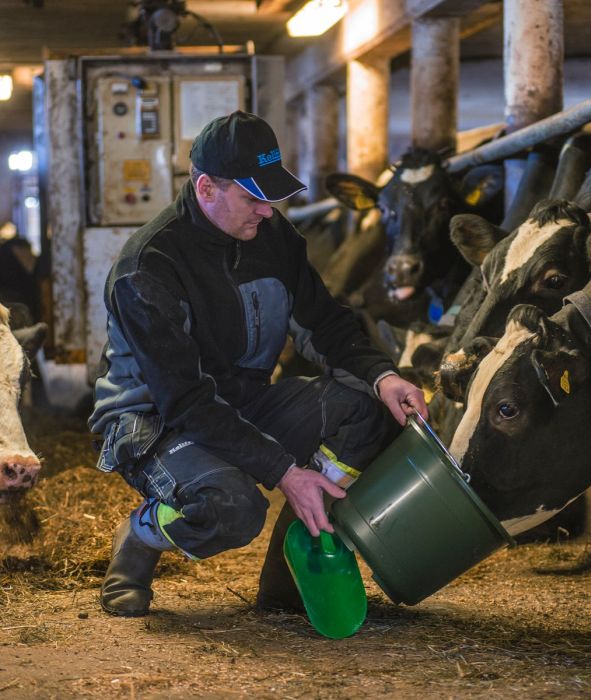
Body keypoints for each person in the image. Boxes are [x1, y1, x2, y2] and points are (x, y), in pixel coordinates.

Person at [88, 110, 428, 617]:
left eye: (271, 197)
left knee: (370, 412)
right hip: (154, 421)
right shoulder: (148, 268)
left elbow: (325, 323)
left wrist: (384, 376)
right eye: (252, 198)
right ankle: (140, 537)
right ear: (206, 189)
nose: (267, 212)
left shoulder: (273, 238)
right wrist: (285, 470)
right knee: (234, 507)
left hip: (242, 402)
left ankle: (289, 571)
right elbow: (185, 400)